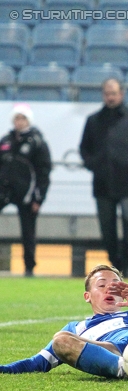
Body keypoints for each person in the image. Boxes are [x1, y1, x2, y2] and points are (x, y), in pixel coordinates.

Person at [0, 264, 128, 381]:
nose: (109, 290)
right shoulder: (75, 328)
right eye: (101, 286)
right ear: (87, 296)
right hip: (111, 350)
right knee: (61, 341)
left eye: (115, 286)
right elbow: (38, 363)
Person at [80, 79, 128, 279]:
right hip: (103, 183)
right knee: (107, 228)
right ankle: (115, 263)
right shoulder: (93, 120)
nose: (110, 97)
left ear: (121, 93)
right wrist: (94, 164)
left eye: (113, 93)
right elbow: (84, 149)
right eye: (107, 93)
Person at [0, 103, 52, 277]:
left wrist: (39, 197)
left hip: (27, 193)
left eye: (23, 118)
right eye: (17, 118)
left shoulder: (37, 142)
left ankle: (29, 267)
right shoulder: (6, 140)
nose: (19, 122)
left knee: (28, 233)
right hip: (4, 191)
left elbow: (43, 173)